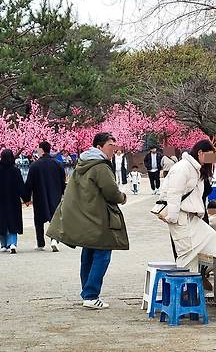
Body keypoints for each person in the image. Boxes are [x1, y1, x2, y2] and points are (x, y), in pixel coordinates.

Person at [47, 132, 128, 309]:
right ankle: (91, 295)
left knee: (88, 255)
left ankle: (87, 293)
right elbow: (111, 192)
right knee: (102, 255)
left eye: (114, 146)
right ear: (99, 147)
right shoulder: (101, 166)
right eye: (110, 146)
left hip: (86, 217)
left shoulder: (82, 163)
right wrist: (122, 197)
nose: (113, 149)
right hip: (98, 218)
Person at [157, 140, 216, 271]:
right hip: (179, 217)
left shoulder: (196, 168)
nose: (210, 160)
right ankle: (185, 288)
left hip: (191, 217)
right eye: (209, 155)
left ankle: (198, 280)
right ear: (200, 153)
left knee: (212, 240)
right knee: (186, 254)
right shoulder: (183, 167)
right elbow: (173, 193)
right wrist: (172, 217)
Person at [24, 141, 66, 252]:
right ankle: (54, 240)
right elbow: (63, 182)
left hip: (39, 196)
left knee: (38, 220)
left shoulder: (34, 165)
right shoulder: (58, 164)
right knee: (55, 219)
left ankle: (40, 243)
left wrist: (27, 198)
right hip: (55, 195)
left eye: (38, 149)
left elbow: (29, 183)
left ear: (41, 150)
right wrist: (64, 193)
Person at [0, 149, 27, 254]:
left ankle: (3, 244)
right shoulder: (15, 171)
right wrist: (26, 199)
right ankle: (12, 243)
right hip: (13, 201)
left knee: (1, 221)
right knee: (13, 221)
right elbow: (21, 187)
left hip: (0, 201)